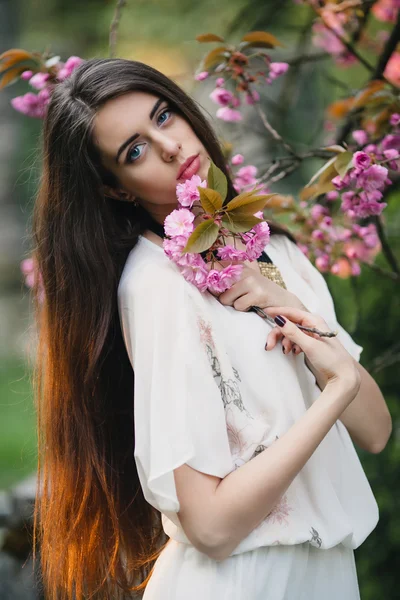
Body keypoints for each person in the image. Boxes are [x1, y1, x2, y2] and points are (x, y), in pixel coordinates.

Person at [31, 58, 392, 600]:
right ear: (116, 190)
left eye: (165, 116)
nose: (170, 146)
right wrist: (334, 389)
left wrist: (290, 306)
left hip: (325, 578)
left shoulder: (279, 253)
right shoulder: (155, 287)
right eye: (135, 150)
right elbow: (212, 527)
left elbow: (376, 430)